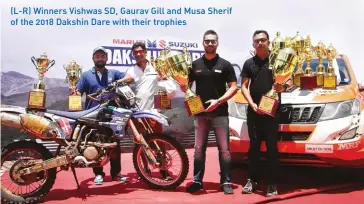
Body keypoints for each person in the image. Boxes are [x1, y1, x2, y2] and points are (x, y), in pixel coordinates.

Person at [182, 30, 238, 194]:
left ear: (217, 43)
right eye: (207, 41)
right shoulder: (195, 65)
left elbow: (234, 87)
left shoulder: (225, 64)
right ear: (203, 43)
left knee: (225, 150)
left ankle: (226, 182)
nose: (210, 44)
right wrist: (183, 87)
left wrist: (218, 101)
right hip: (200, 115)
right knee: (199, 149)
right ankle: (197, 181)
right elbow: (186, 85)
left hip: (220, 114)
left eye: (213, 41)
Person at [116, 42, 177, 180]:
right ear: (133, 54)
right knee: (141, 144)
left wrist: (164, 78)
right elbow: (126, 82)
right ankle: (145, 170)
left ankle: (164, 170)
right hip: (138, 114)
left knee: (159, 142)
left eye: (140, 51)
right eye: (135, 52)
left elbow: (169, 87)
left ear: (145, 52)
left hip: (154, 112)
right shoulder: (132, 71)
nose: (138, 54)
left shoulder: (156, 66)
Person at [240, 30, 290, 197]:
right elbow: (244, 86)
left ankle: (272, 182)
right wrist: (252, 103)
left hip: (272, 112)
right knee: (253, 147)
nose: (260, 43)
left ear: (269, 42)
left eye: (263, 40)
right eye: (257, 41)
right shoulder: (248, 63)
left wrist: (282, 87)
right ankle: (252, 180)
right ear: (253, 44)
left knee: (271, 148)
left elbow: (287, 81)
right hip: (254, 111)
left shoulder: (278, 60)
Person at [75, 46, 129, 185]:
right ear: (93, 58)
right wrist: (73, 92)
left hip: (112, 114)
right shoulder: (86, 75)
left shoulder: (114, 73)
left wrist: (118, 82)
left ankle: (116, 173)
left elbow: (129, 78)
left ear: (106, 58)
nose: (100, 58)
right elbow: (77, 92)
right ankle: (98, 174)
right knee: (95, 144)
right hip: (93, 116)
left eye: (102, 56)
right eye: (97, 56)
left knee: (115, 145)